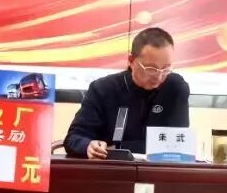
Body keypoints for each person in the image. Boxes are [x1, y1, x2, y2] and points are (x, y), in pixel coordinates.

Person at [64, 27, 190, 159]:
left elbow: (178, 143)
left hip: (158, 169)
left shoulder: (175, 88)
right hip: (112, 168)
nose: (158, 77)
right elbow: (74, 138)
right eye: (151, 69)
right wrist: (88, 146)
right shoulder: (103, 89)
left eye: (166, 68)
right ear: (131, 60)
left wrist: (117, 147)